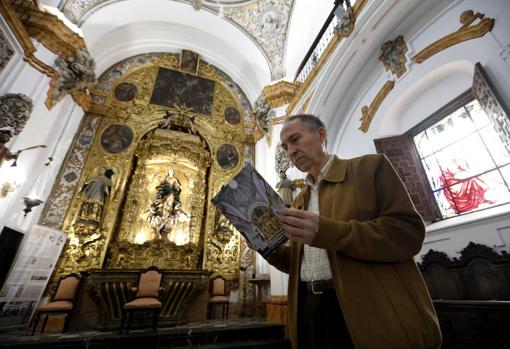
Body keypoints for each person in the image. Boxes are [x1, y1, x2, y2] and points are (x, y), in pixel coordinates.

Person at [266, 114, 442, 349]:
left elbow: (407, 234)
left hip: (369, 311)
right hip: (310, 310)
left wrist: (327, 231)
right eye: (286, 147)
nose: (291, 152)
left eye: (295, 139)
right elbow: (300, 265)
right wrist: (267, 247)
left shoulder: (369, 168)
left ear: (321, 135)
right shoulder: (298, 202)